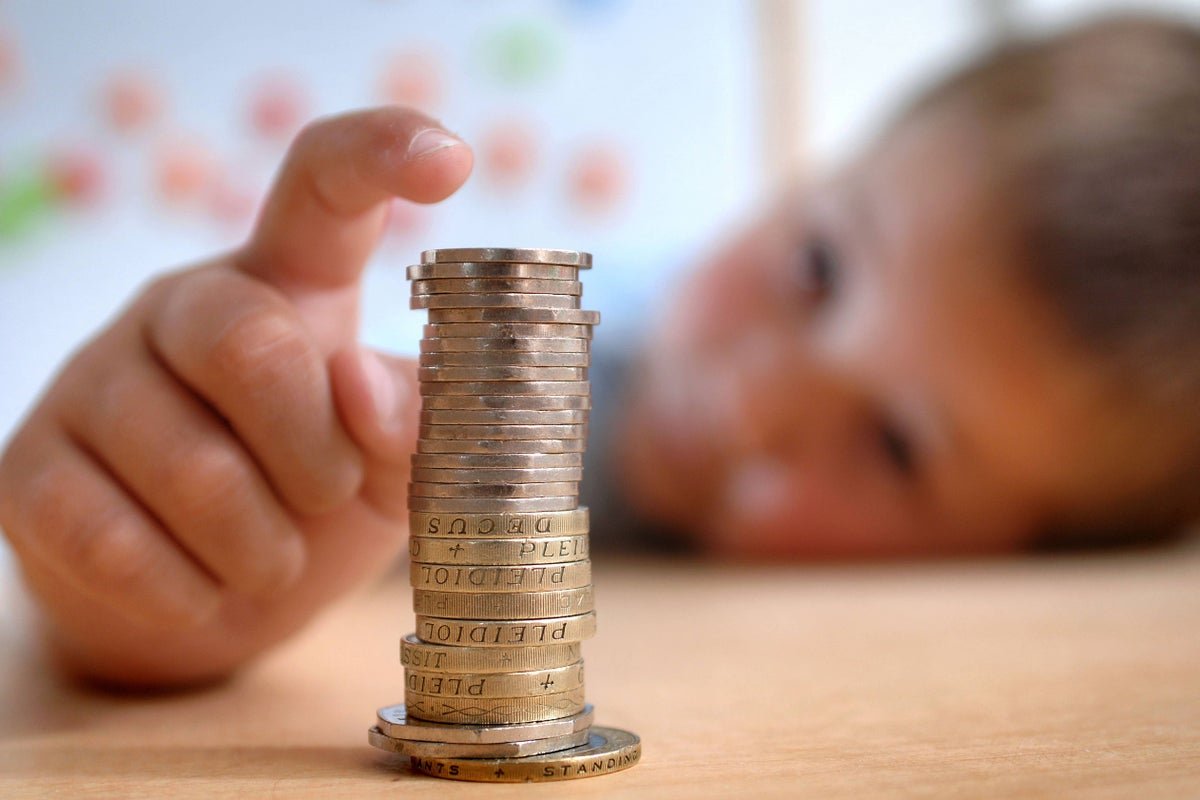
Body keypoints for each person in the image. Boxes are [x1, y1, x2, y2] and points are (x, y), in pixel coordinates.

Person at [0, 14, 1196, 687]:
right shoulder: (507, 361)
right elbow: (243, 539)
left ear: (1005, 561)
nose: (753, 402)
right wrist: (153, 573)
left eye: (895, 444)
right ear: (813, 173)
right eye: (818, 266)